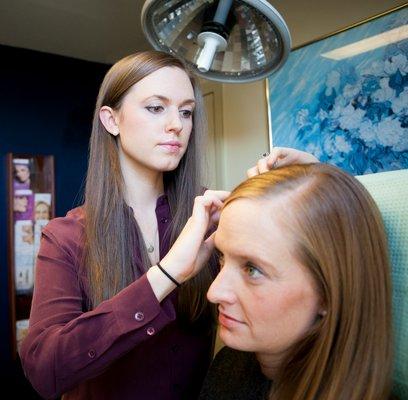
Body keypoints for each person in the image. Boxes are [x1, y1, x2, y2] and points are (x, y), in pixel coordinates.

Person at [20, 50, 317, 400]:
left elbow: (308, 261)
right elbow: (45, 370)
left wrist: (311, 177)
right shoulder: (66, 237)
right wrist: (167, 273)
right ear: (111, 120)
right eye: (156, 107)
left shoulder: (211, 216)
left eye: (186, 111)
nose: (176, 123)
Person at [199, 163, 393, 400]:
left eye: (252, 270)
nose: (214, 292)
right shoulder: (228, 365)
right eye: (221, 256)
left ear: (328, 292)